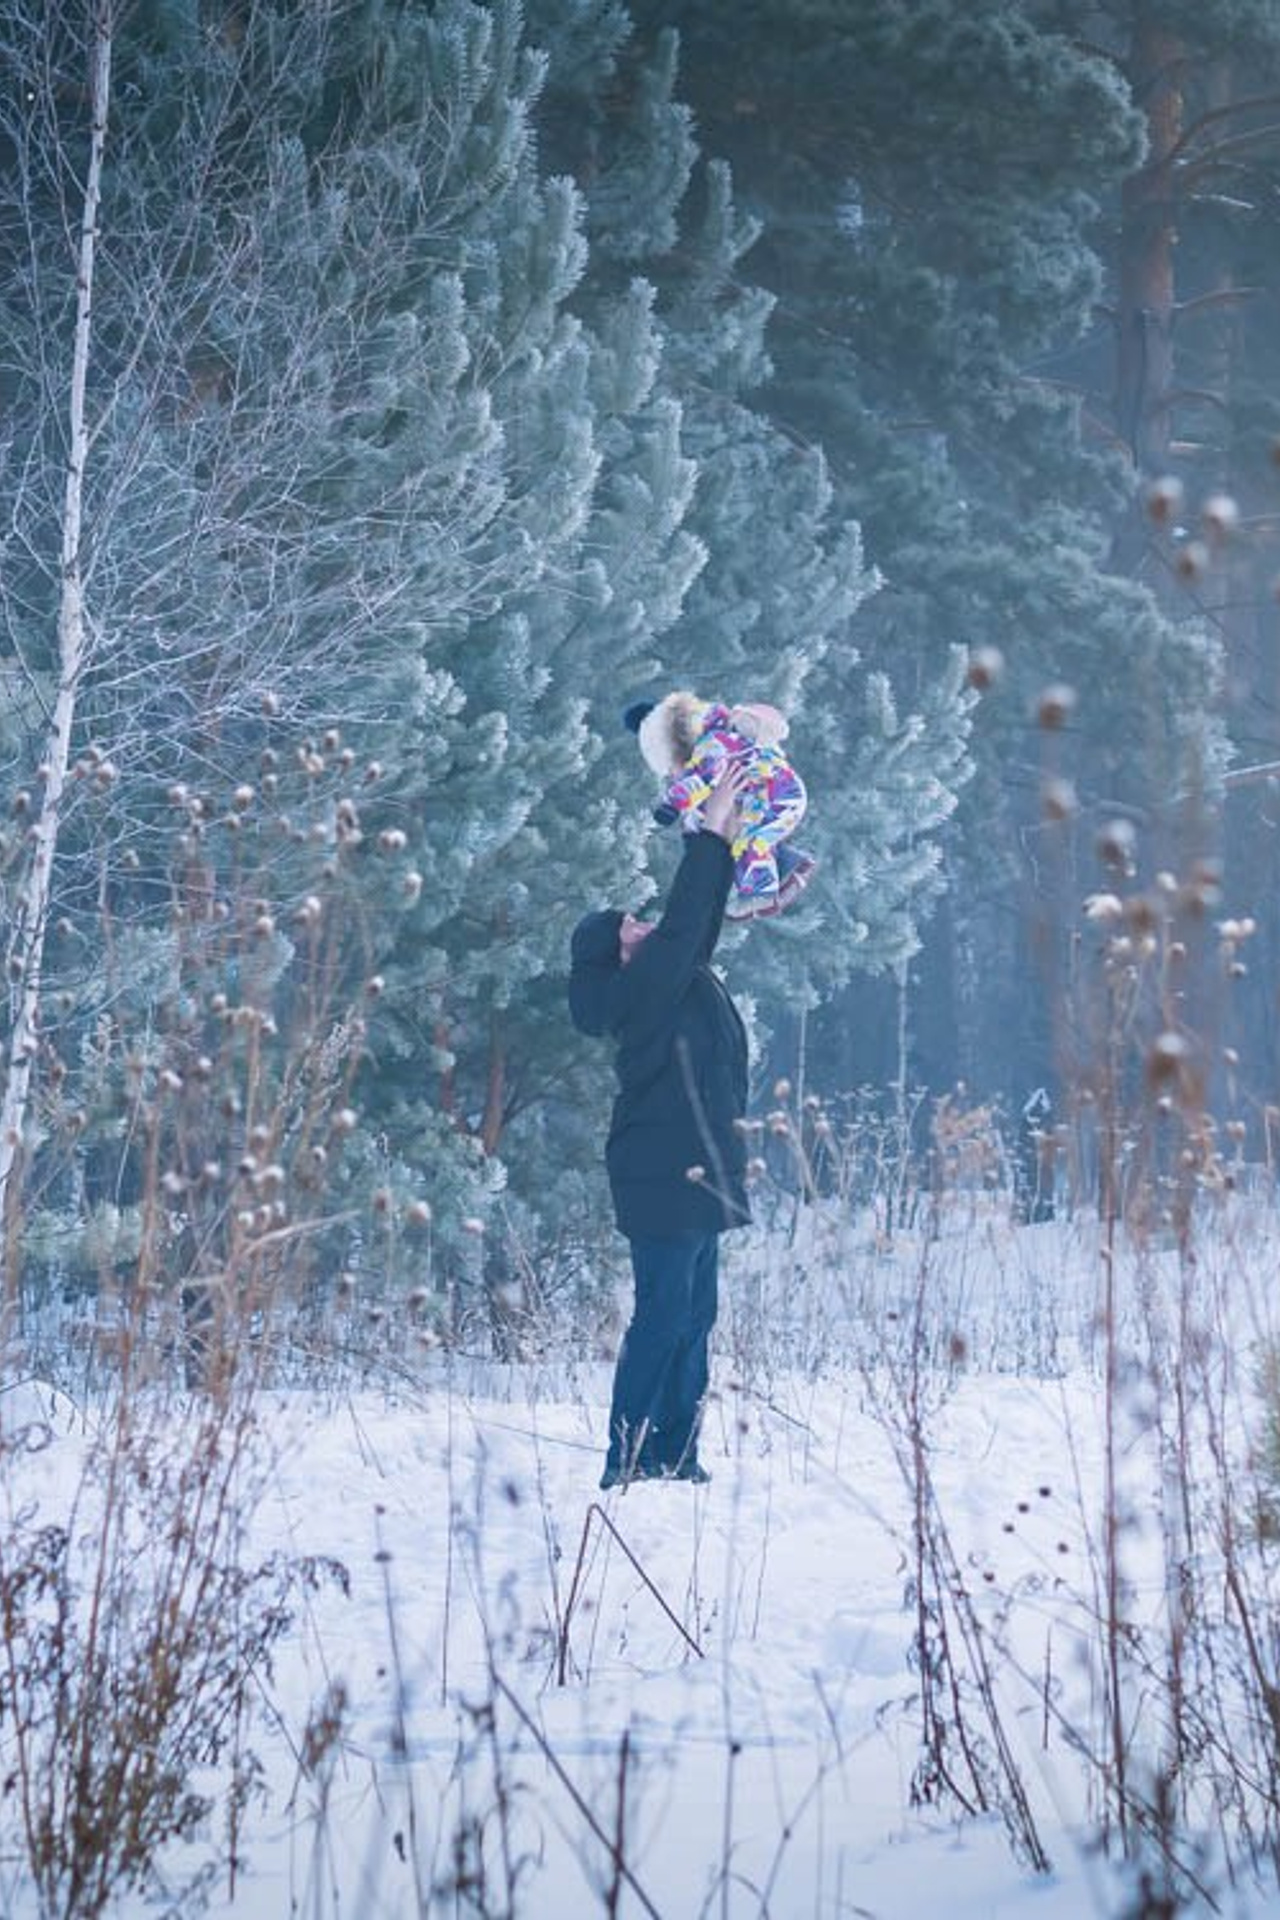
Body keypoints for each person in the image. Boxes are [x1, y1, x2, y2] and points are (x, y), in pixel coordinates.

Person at [568, 764, 753, 1489]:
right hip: (662, 1173)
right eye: (628, 926)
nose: (641, 924)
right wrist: (710, 826)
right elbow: (683, 921)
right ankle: (628, 1456)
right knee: (663, 1317)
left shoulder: (668, 978)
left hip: (693, 1170)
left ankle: (676, 1453)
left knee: (694, 1316)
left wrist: (725, 839)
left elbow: (697, 921)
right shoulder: (641, 991)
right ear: (618, 955)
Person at [623, 690, 816, 919]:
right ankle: (784, 865)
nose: (673, 774)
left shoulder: (714, 747)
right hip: (762, 797)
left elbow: (701, 782)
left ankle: (761, 896)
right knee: (741, 838)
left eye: (671, 767)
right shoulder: (716, 742)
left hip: (777, 794)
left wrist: (671, 805)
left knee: (749, 841)